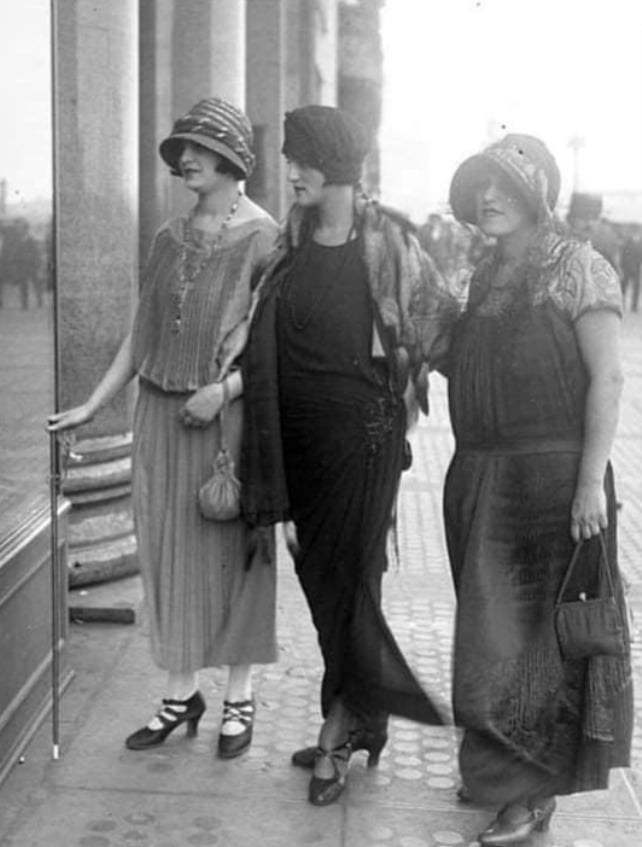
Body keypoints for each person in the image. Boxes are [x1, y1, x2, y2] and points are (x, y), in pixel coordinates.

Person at [240, 105, 459, 806]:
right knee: (322, 588)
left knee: (351, 590)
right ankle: (365, 710)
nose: (290, 170)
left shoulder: (388, 242)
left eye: (301, 158)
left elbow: (441, 324)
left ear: (335, 164)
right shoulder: (290, 240)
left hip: (362, 440)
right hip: (295, 445)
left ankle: (341, 726)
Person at [48, 98, 279, 759]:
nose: (184, 159)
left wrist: (224, 390)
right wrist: (94, 404)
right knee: (171, 561)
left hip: (225, 426)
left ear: (233, 158)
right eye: (180, 148)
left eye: (198, 148)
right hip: (159, 415)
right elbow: (142, 333)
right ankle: (182, 694)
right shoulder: (165, 239)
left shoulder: (266, 238)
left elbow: (277, 352)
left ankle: (240, 695)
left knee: (235, 563)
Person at [444, 134, 633, 844]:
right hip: (481, 475)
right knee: (485, 640)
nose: (488, 198)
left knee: (533, 650)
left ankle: (530, 794)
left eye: (505, 187)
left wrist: (590, 484)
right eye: (481, 187)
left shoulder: (582, 268)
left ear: (536, 195)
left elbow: (607, 379)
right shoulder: (484, 274)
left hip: (552, 482)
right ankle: (500, 773)